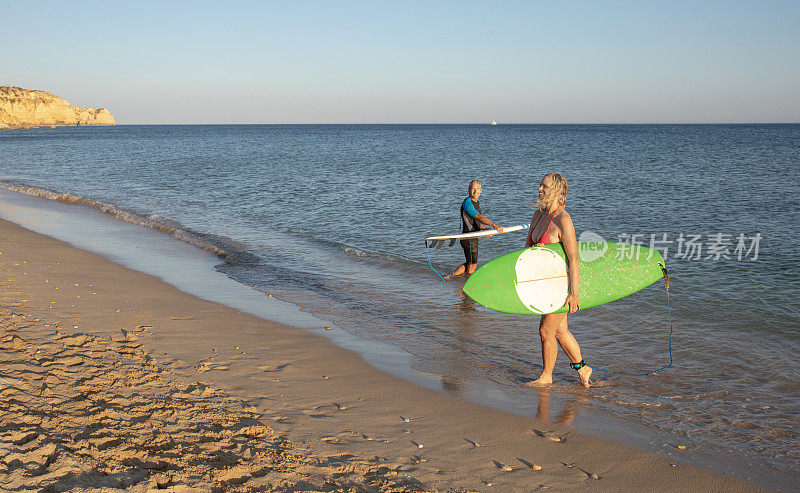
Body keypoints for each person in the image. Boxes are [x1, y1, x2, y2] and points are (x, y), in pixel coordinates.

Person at [522, 173, 591, 388]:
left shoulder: (563, 220)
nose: (539, 189)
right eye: (540, 184)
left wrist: (574, 293)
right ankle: (582, 368)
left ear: (557, 191)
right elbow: (526, 249)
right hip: (544, 284)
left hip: (560, 285)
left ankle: (546, 376)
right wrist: (536, 251)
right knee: (560, 331)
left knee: (545, 330)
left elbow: (574, 259)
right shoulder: (538, 216)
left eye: (544, 186)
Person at [450, 180, 504, 278]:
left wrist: (486, 229)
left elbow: (477, 224)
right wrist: (494, 225)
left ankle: (451, 277)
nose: (475, 191)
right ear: (468, 190)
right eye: (473, 189)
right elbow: (479, 217)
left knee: (469, 263)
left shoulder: (476, 203)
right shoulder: (468, 203)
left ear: (481, 190)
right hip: (468, 238)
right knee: (472, 266)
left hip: (472, 237)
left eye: (477, 189)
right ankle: (466, 285)